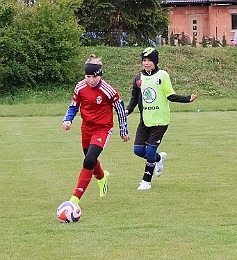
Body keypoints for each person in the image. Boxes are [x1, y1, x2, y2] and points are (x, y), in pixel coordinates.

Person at [126, 47, 197, 190]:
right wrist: (128, 109)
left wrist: (187, 99)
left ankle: (146, 181)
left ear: (155, 61)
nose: (146, 63)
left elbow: (170, 95)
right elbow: (135, 97)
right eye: (144, 60)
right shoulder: (138, 78)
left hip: (160, 121)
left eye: (149, 60)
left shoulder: (163, 75)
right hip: (145, 120)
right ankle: (159, 158)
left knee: (150, 151)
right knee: (138, 150)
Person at [63, 54, 130, 205]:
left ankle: (74, 199)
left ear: (100, 75)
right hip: (86, 128)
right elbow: (73, 106)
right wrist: (67, 120)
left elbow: (120, 108)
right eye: (88, 76)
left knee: (89, 160)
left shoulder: (109, 90)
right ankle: (102, 177)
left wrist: (123, 130)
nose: (91, 80)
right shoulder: (80, 87)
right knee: (90, 159)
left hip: (103, 129)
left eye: (94, 77)